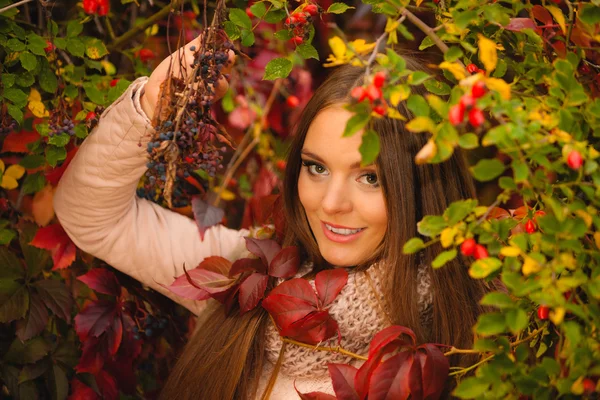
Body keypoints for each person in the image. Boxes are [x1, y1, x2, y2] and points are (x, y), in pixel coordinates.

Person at [53, 35, 499, 399]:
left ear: (423, 185)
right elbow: (93, 218)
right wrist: (151, 108)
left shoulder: (470, 342)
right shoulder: (249, 277)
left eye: (370, 178)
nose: (331, 203)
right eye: (317, 167)